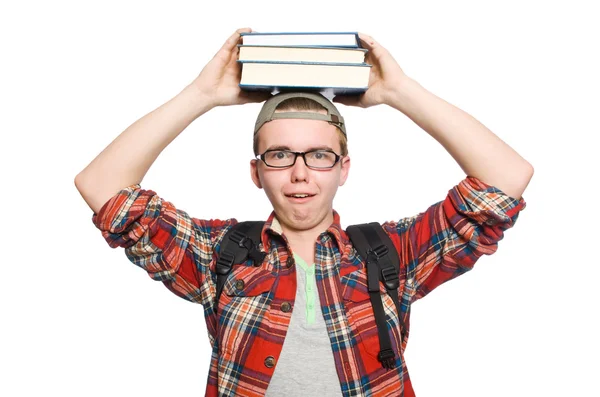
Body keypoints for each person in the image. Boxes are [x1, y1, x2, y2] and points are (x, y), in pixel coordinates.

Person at [75, 27, 533, 397]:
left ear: (342, 169)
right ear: (257, 171)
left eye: (319, 155)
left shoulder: (392, 252)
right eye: (279, 155)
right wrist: (201, 95)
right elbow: (101, 187)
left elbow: (505, 180)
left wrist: (401, 92)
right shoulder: (219, 254)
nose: (299, 173)